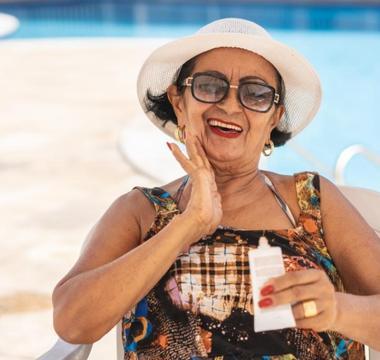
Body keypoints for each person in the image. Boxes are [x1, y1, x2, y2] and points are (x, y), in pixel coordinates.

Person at [52, 18, 380, 359]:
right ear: (179, 102)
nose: (230, 105)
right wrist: (188, 224)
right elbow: (72, 323)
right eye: (210, 86)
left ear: (274, 118)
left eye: (256, 93)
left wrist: (337, 310)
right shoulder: (140, 211)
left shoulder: (312, 200)